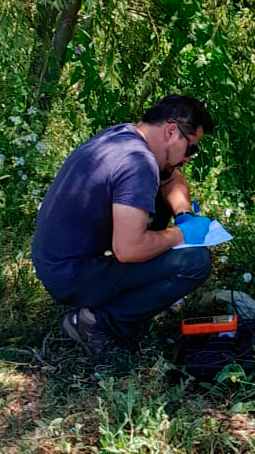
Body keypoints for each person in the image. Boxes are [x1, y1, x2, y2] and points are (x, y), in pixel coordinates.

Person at [31, 94, 216, 362]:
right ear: (171, 131)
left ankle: (115, 299)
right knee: (195, 262)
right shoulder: (138, 164)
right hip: (71, 275)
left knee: (162, 203)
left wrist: (183, 214)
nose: (188, 159)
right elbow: (128, 250)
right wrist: (182, 234)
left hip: (56, 264)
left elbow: (171, 178)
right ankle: (97, 323)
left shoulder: (123, 137)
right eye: (191, 149)